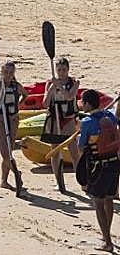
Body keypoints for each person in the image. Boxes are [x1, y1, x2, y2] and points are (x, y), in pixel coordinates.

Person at [78, 89, 119, 252]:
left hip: (99, 167)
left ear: (88, 104)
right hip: (115, 163)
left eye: (83, 103)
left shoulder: (87, 122)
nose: (81, 106)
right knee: (109, 199)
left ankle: (107, 242)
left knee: (99, 202)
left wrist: (81, 132)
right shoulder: (110, 116)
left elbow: (81, 147)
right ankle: (106, 234)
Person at [0, 60, 25, 193]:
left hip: (13, 121)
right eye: (5, 72)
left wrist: (18, 106)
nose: (8, 75)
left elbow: (25, 95)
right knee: (4, 153)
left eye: (10, 73)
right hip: (0, 122)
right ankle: (17, 173)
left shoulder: (16, 86)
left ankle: (4, 181)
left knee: (9, 152)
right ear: (1, 72)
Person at [43, 57, 81, 192]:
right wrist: (51, 89)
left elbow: (70, 97)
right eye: (59, 70)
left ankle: (81, 181)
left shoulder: (74, 82)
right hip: (54, 120)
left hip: (68, 119)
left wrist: (58, 86)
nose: (61, 72)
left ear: (68, 69)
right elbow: (45, 103)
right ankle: (59, 181)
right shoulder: (50, 83)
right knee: (55, 151)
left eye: (64, 69)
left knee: (74, 152)